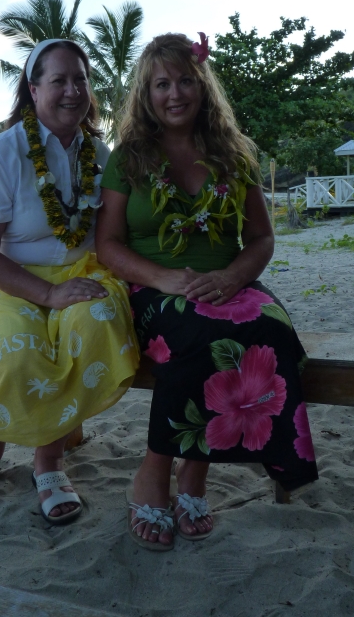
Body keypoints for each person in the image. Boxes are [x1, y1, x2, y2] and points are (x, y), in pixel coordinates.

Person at [96, 32, 318, 551]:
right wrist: (165, 279)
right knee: (195, 334)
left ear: (203, 87)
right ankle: (154, 471)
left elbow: (261, 238)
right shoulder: (128, 158)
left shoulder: (234, 154)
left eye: (185, 81)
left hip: (229, 283)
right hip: (154, 289)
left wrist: (234, 277)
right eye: (162, 84)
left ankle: (195, 475)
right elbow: (107, 245)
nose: (175, 94)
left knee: (272, 330)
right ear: (146, 94)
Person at [0, 38, 139, 524]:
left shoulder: (100, 154)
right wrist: (48, 294)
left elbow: (114, 234)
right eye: (59, 80)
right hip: (11, 279)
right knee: (19, 350)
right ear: (33, 90)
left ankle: (48, 459)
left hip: (85, 272)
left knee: (93, 326)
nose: (73, 90)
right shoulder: (2, 154)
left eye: (81, 79)